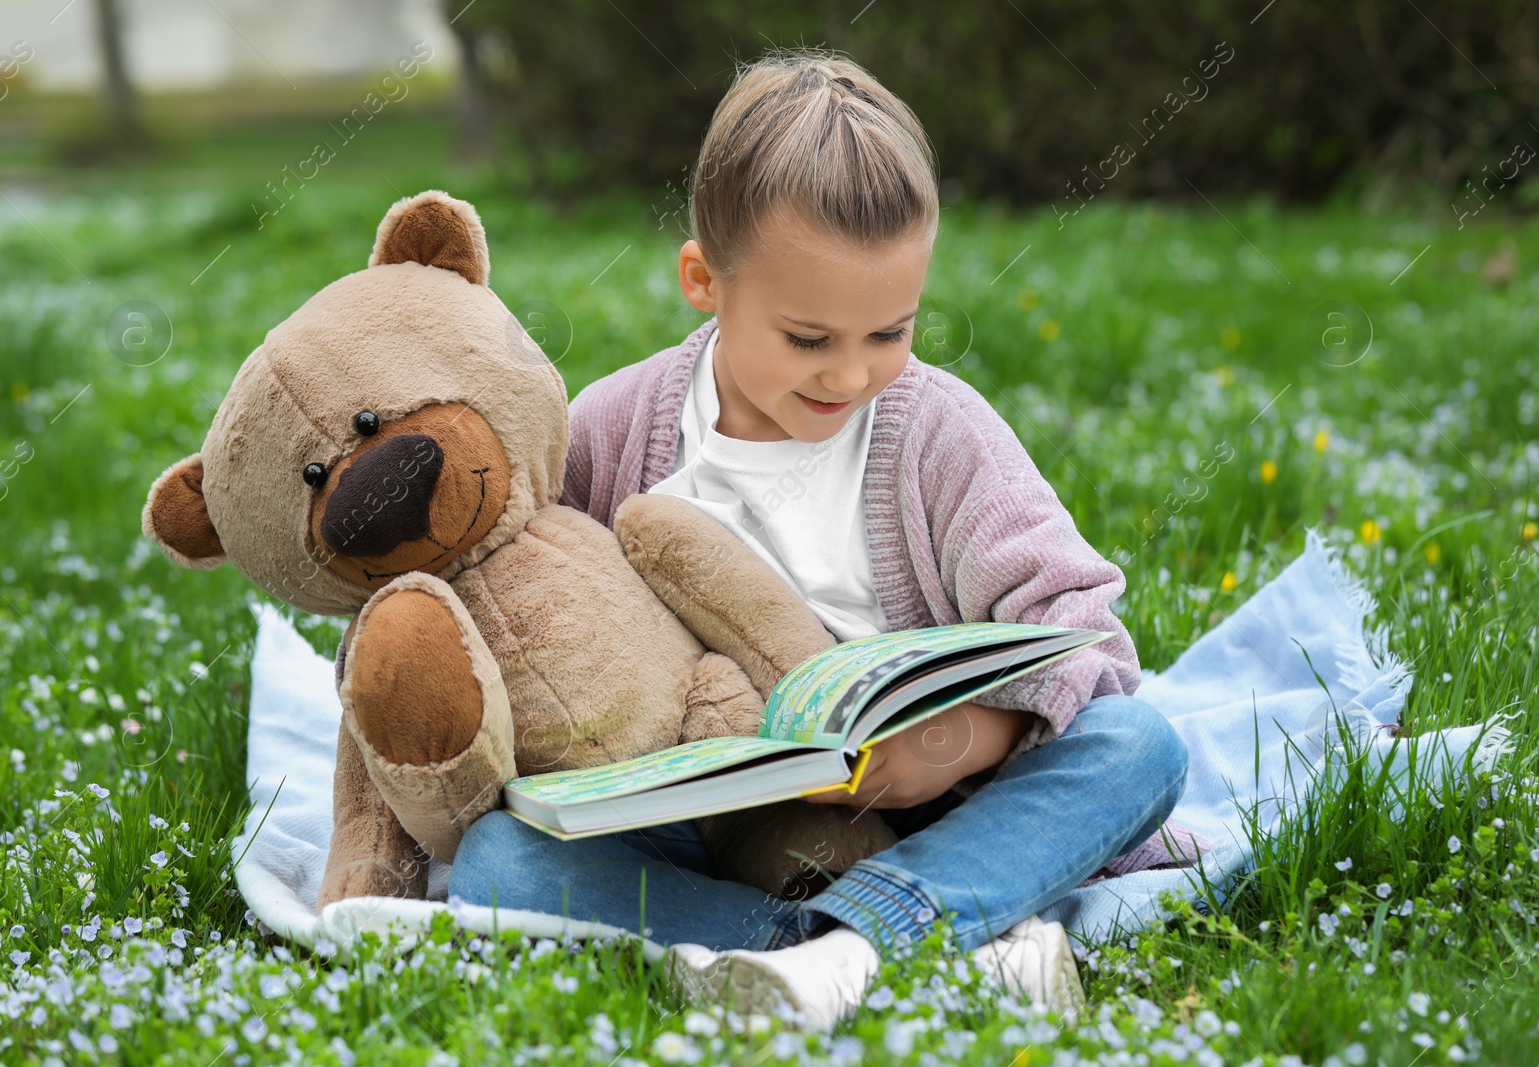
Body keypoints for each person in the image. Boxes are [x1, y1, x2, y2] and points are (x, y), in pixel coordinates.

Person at [448, 48, 1206, 1030]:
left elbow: (1084, 633)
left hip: (942, 808)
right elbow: (517, 594)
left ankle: (826, 946)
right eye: (808, 338)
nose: (850, 374)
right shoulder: (612, 428)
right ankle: (898, 946)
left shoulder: (940, 432)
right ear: (702, 279)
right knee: (498, 858)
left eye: (889, 331)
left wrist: (970, 736)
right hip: (710, 821)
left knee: (1136, 744)